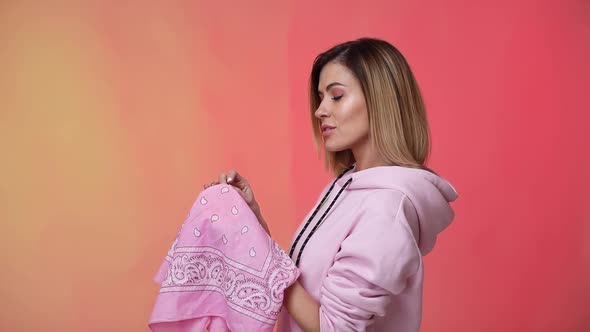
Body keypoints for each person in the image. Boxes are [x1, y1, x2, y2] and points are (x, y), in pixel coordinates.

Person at [204, 37, 458, 332]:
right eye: (321, 97)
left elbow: (334, 328)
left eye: (336, 96)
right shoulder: (347, 186)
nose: (320, 110)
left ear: (380, 101)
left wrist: (265, 260)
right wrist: (253, 221)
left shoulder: (386, 208)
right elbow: (301, 284)